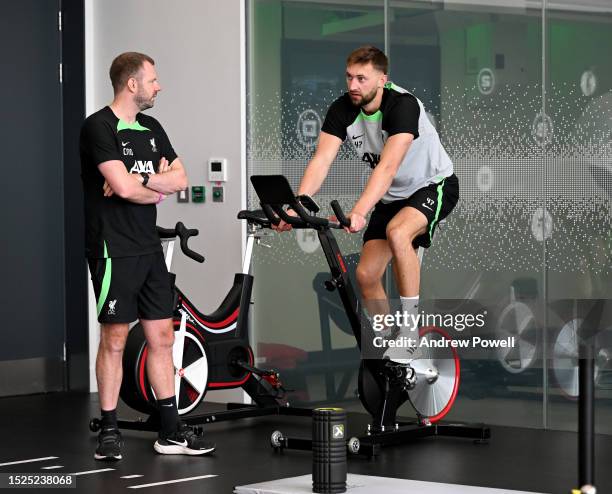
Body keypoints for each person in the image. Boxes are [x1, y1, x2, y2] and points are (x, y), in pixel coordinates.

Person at [276, 46, 459, 362]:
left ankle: (410, 332)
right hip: (391, 196)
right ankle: (389, 341)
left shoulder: (402, 106)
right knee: (365, 275)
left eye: (362, 78)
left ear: (382, 79)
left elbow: (387, 167)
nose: (353, 85)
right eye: (349, 77)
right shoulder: (343, 109)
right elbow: (322, 159)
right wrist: (298, 204)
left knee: (398, 233)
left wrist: (360, 211)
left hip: (432, 185)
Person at [80, 52, 215, 460]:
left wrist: (142, 181)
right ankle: (108, 427)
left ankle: (170, 430)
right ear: (132, 84)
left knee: (162, 337)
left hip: (149, 248)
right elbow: (120, 189)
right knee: (116, 338)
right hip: (112, 248)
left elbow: (181, 177)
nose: (159, 86)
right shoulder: (98, 126)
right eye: (153, 80)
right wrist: (153, 187)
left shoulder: (152, 127)